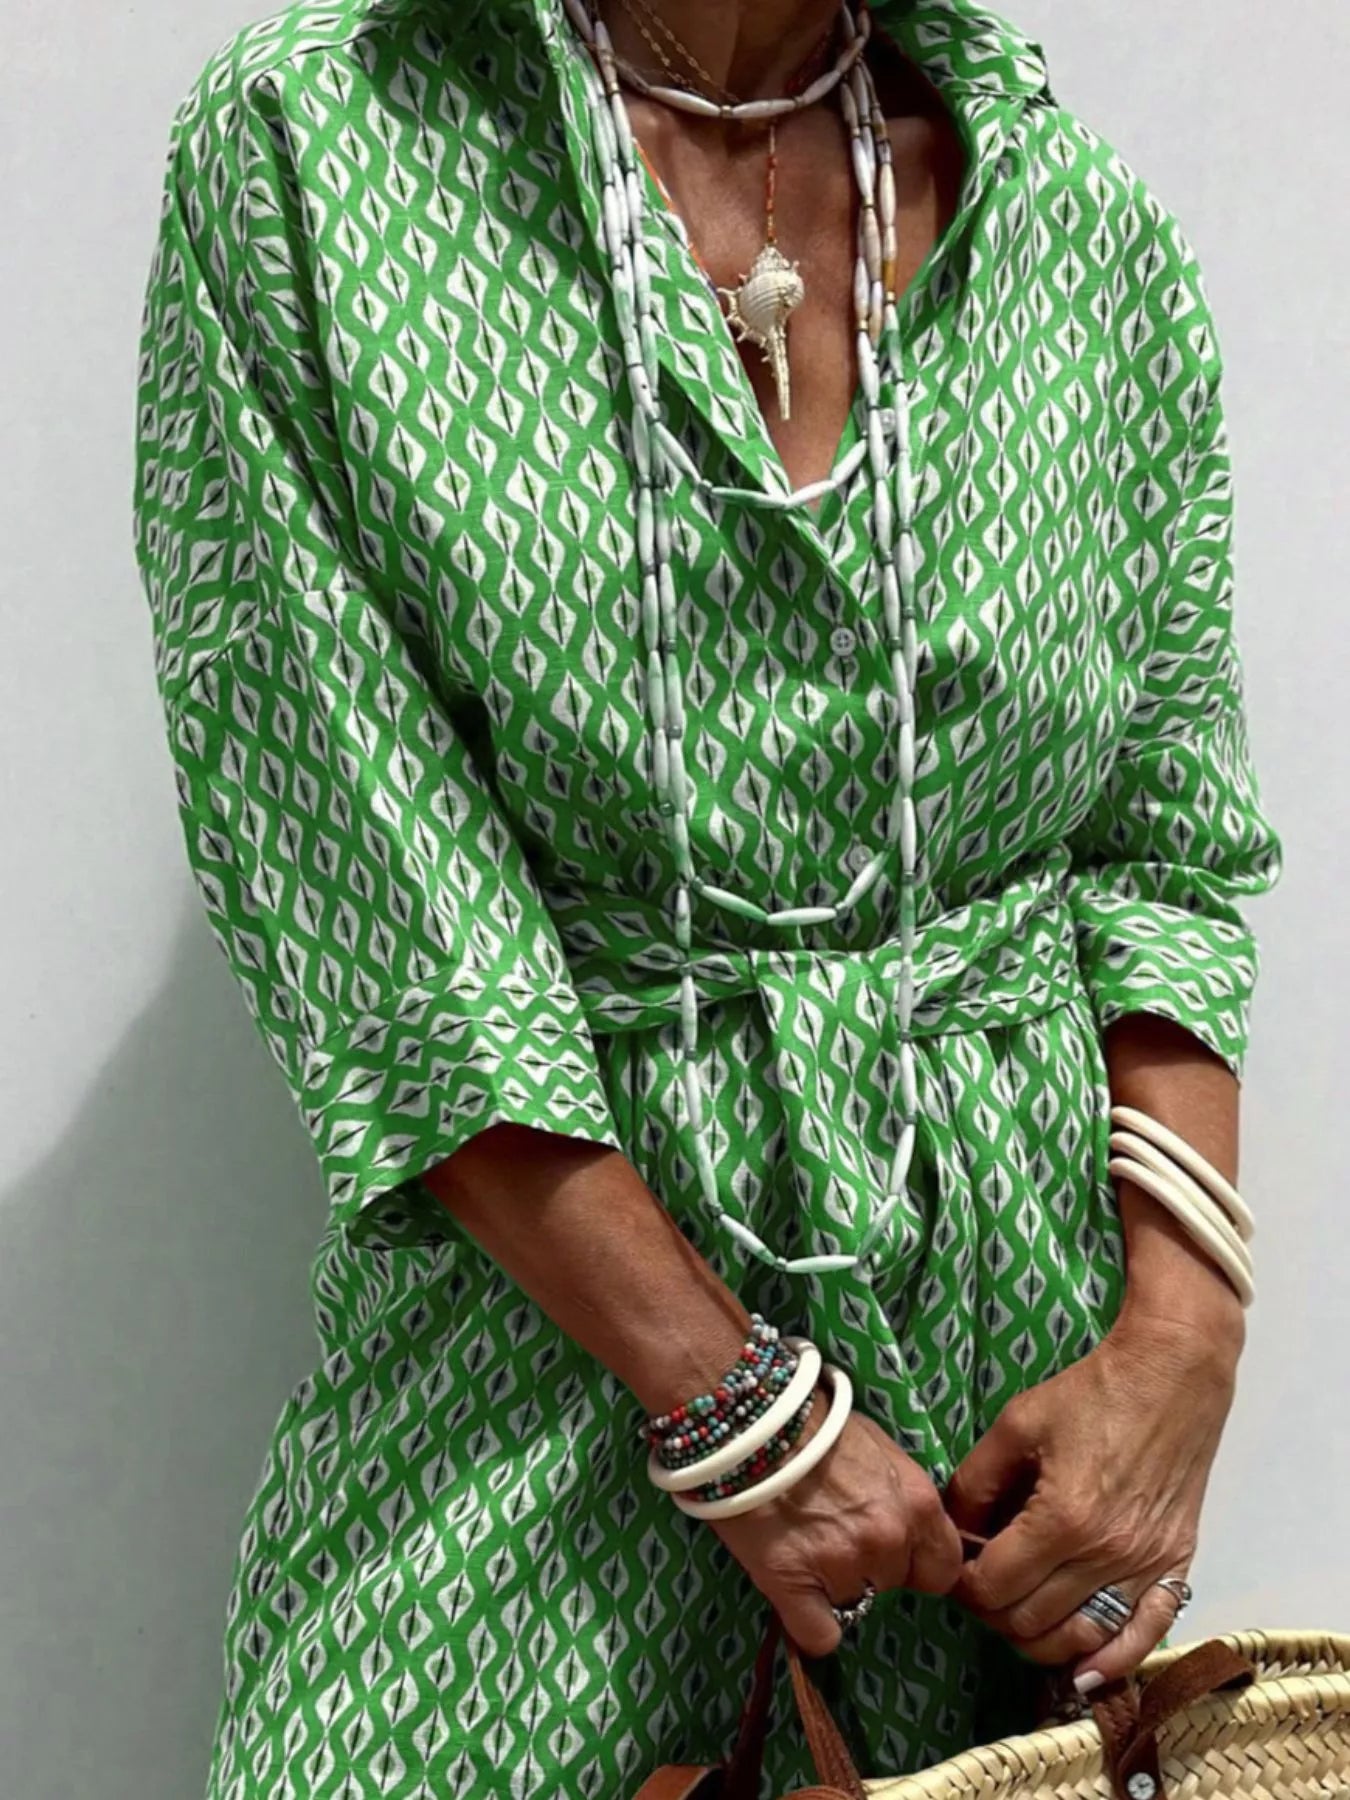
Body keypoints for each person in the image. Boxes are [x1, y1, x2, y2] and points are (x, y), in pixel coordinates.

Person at [130, 0, 1284, 1793]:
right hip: (547, 1365)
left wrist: (1180, 1347)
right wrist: (728, 1405)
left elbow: (1164, 846)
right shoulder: (320, 149)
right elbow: (351, 865)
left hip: (999, 1445)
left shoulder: (1075, 226)